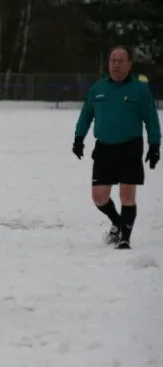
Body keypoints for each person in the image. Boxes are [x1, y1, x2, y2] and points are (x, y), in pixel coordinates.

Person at [73, 45, 161, 249]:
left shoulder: (140, 90)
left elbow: (151, 119)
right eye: (113, 60)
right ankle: (117, 222)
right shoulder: (98, 89)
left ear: (130, 64)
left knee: (127, 195)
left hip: (130, 147)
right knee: (99, 197)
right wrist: (78, 138)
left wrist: (155, 145)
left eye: (121, 61)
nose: (117, 65)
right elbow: (86, 114)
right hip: (104, 148)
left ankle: (124, 239)